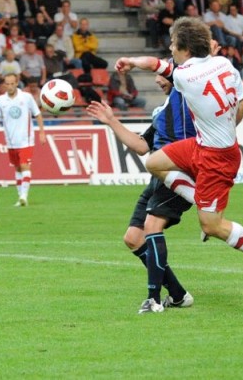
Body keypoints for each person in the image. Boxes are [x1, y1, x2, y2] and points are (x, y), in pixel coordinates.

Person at [114, 17, 243, 294]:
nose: (171, 49)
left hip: (218, 158)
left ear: (186, 49)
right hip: (201, 144)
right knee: (154, 162)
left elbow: (157, 66)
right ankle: (199, 199)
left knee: (211, 225)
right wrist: (226, 128)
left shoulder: (184, 76)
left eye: (173, 44)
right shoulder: (224, 64)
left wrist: (131, 62)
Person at [86, 72, 198, 314]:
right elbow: (141, 146)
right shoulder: (162, 112)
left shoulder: (186, 100)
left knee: (151, 227)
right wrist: (111, 121)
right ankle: (178, 295)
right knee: (133, 238)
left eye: (162, 76)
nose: (157, 80)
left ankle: (153, 299)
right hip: (157, 179)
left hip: (178, 174)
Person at [0, 73, 46, 207]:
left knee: (24, 165)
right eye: (7, 84)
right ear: (4, 85)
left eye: (12, 83)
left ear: (17, 83)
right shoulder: (1, 100)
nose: (10, 86)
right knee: (17, 168)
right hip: (11, 140)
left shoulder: (26, 97)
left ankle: (24, 196)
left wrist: (42, 132)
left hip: (26, 139)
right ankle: (20, 197)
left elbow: (38, 114)